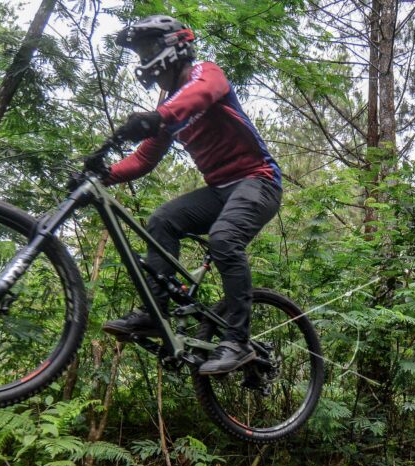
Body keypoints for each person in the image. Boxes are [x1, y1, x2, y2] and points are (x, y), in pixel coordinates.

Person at [95, 15, 282, 376]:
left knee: (225, 238)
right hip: (220, 190)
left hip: (258, 181)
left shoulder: (205, 74)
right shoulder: (169, 108)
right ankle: (155, 310)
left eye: (148, 49)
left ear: (173, 46)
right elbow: (144, 158)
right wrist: (103, 174)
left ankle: (238, 341)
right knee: (162, 220)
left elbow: (201, 94)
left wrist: (156, 117)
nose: (143, 58)